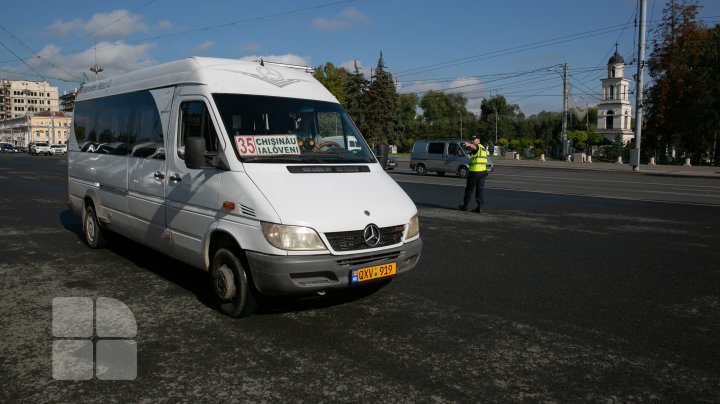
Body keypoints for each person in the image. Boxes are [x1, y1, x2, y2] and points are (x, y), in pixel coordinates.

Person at [459, 135, 489, 213]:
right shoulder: (483, 148)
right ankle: (479, 207)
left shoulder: (478, 147)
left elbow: (474, 148)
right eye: (471, 140)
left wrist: (468, 145)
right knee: (480, 189)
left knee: (469, 190)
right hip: (483, 172)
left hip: (475, 172)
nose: (472, 141)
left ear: (478, 140)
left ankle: (465, 206)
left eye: (474, 140)